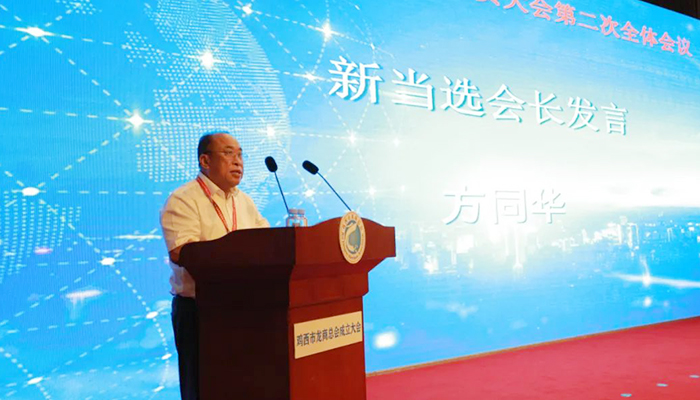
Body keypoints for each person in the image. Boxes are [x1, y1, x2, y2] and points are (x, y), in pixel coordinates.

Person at [159, 131, 269, 400]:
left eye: (240, 154)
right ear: (205, 161)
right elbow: (182, 252)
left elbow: (267, 242)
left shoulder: (243, 201)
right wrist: (237, 255)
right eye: (229, 153)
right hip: (200, 312)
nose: (238, 161)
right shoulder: (184, 199)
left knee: (241, 384)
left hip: (243, 308)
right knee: (203, 387)